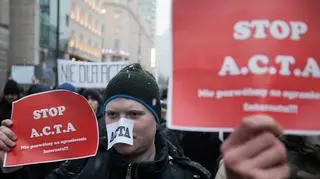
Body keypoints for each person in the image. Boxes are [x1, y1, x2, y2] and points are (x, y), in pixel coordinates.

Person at [0, 64, 289, 179]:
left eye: (135, 114)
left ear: (156, 119)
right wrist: (12, 168)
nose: (122, 123)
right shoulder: (78, 167)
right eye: (113, 115)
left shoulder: (191, 176)